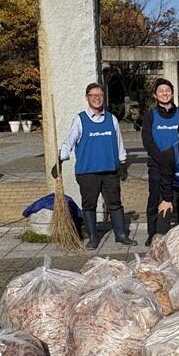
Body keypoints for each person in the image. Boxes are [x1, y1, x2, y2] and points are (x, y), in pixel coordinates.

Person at [59, 82, 137, 249]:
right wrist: (61, 156)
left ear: (104, 97)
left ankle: (121, 235)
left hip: (110, 171)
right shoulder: (80, 120)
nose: (97, 98)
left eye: (100, 95)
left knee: (115, 203)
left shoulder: (112, 119)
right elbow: (69, 141)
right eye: (93, 95)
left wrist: (122, 163)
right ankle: (93, 238)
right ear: (87, 98)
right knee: (89, 205)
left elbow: (119, 144)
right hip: (87, 172)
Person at [141, 78, 179, 246]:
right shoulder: (150, 115)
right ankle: (153, 234)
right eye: (161, 91)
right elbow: (148, 141)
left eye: (167, 90)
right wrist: (163, 161)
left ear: (172, 93)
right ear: (155, 95)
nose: (164, 93)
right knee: (155, 199)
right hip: (157, 165)